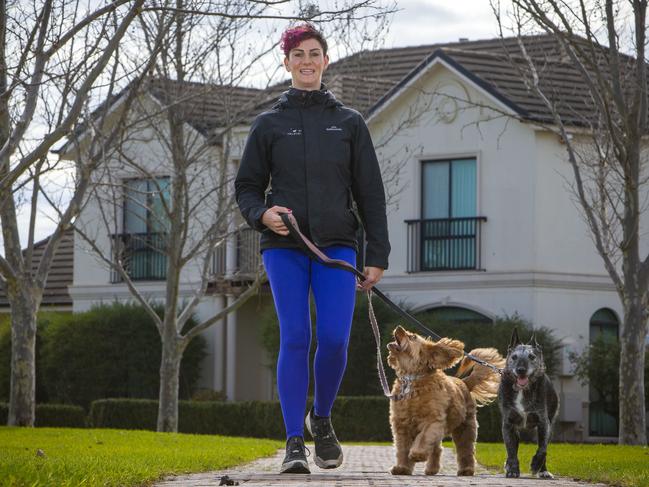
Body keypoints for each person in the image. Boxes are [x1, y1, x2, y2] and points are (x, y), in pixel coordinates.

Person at [234, 23, 390, 474]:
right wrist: (260, 214)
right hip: (284, 246)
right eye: (298, 53)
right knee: (297, 336)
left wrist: (376, 255)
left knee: (337, 340)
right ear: (286, 62)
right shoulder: (268, 125)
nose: (307, 60)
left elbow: (371, 193)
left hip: (339, 247)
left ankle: (321, 418)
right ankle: (293, 442)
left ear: (325, 61)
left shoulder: (349, 123)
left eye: (315, 53)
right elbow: (246, 186)